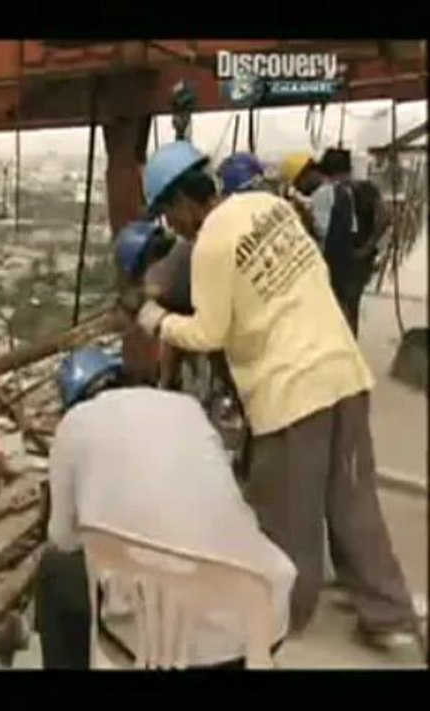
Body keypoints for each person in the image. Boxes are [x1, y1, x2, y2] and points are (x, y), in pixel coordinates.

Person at [134, 140, 421, 652]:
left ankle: (283, 614)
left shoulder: (210, 246)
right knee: (353, 502)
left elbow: (208, 334)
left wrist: (156, 319)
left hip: (291, 393)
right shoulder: (272, 207)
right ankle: (388, 613)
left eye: (167, 214)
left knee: (287, 514)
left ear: (182, 202)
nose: (171, 227)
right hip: (343, 370)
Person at [35, 346, 296, 669]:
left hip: (168, 645)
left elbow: (62, 538)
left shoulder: (73, 425)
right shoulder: (185, 407)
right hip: (263, 617)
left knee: (55, 570)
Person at [310, 148, 388, 336]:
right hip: (360, 260)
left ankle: (345, 348)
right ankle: (351, 345)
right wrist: (368, 247)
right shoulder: (367, 188)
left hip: (340, 260)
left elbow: (321, 230)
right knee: (351, 307)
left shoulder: (330, 193)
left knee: (338, 309)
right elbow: (384, 217)